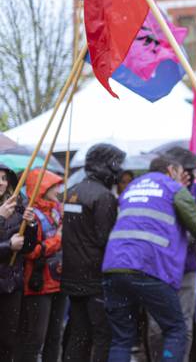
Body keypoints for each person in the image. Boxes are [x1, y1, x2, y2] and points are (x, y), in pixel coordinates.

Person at [101, 155, 196, 362]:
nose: (181, 178)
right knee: (176, 328)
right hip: (149, 268)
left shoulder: (132, 187)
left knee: (121, 339)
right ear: (171, 170)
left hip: (114, 267)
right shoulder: (174, 189)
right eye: (180, 173)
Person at [62, 143, 126, 362]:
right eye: (116, 165)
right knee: (102, 334)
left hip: (73, 274)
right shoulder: (103, 197)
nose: (119, 171)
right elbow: (106, 239)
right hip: (96, 278)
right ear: (106, 165)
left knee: (78, 332)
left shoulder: (72, 191)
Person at [147, 146, 196, 361]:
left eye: (191, 172)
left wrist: (183, 195)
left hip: (186, 268)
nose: (188, 176)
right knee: (156, 326)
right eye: (185, 171)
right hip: (158, 268)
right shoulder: (156, 190)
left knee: (184, 322)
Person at [18, 169, 66, 362]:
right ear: (42, 188)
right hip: (39, 284)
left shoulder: (57, 210)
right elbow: (31, 252)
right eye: (54, 186)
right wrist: (58, 240)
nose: (58, 190)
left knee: (55, 337)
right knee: (36, 338)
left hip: (59, 281)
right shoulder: (31, 216)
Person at [0, 164, 38, 360]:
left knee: (8, 340)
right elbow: (10, 245)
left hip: (11, 285)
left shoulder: (16, 208)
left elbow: (28, 247)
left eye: (4, 178)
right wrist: (8, 246)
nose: (1, 182)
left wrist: (30, 225)